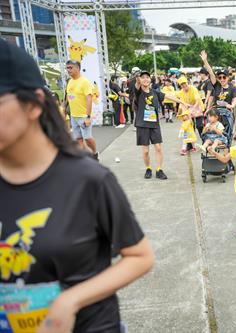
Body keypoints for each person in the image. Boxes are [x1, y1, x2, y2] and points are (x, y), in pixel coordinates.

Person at [0, 39, 154, 333]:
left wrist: (70, 301)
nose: (69, 69)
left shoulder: (89, 180)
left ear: (33, 105)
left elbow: (140, 256)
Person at [134, 70, 187, 180]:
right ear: (139, 79)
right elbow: (137, 85)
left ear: (150, 80)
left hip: (154, 124)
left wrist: (182, 102)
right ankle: (148, 168)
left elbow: (168, 96)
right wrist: (138, 80)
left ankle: (159, 169)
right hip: (142, 125)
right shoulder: (138, 91)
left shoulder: (155, 92)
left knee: (158, 148)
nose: (145, 79)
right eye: (142, 77)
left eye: (147, 77)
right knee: (145, 151)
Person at [65, 60, 98, 160]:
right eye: (67, 68)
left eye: (71, 67)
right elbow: (68, 97)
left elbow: (89, 99)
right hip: (73, 116)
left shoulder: (85, 82)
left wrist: (88, 117)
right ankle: (85, 158)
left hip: (83, 116)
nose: (68, 70)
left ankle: (95, 153)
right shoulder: (70, 81)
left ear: (78, 68)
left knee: (87, 138)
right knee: (78, 139)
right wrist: (64, 110)